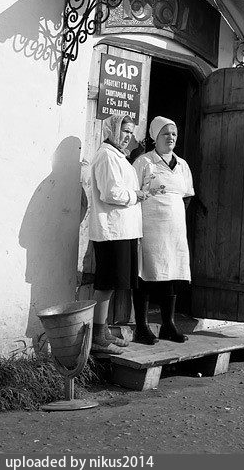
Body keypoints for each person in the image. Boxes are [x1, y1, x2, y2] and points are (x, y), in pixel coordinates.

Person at [88, 114, 149, 354]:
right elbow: (111, 193)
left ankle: (101, 331)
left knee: (112, 283)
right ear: (112, 130)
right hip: (111, 230)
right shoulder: (106, 156)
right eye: (124, 131)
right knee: (106, 283)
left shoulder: (118, 157)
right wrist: (136, 195)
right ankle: (96, 336)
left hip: (122, 229)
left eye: (131, 132)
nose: (128, 137)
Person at [132, 116, 195, 344]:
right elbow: (134, 191)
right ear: (154, 137)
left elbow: (187, 196)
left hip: (175, 228)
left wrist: (172, 214)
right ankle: (141, 327)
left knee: (172, 272)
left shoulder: (182, 165)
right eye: (166, 134)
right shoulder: (144, 163)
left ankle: (168, 325)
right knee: (147, 272)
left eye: (174, 134)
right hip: (150, 226)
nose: (171, 138)